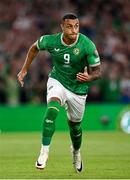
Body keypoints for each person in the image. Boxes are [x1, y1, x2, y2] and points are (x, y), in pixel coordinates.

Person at [17, 13, 101, 173]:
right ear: (62, 27)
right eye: (69, 26)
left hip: (78, 88)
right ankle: (44, 152)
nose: (74, 30)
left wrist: (89, 77)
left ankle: (76, 152)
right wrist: (24, 69)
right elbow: (34, 48)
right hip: (58, 81)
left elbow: (97, 72)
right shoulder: (50, 40)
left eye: (76, 26)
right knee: (52, 109)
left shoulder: (87, 45)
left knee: (75, 127)